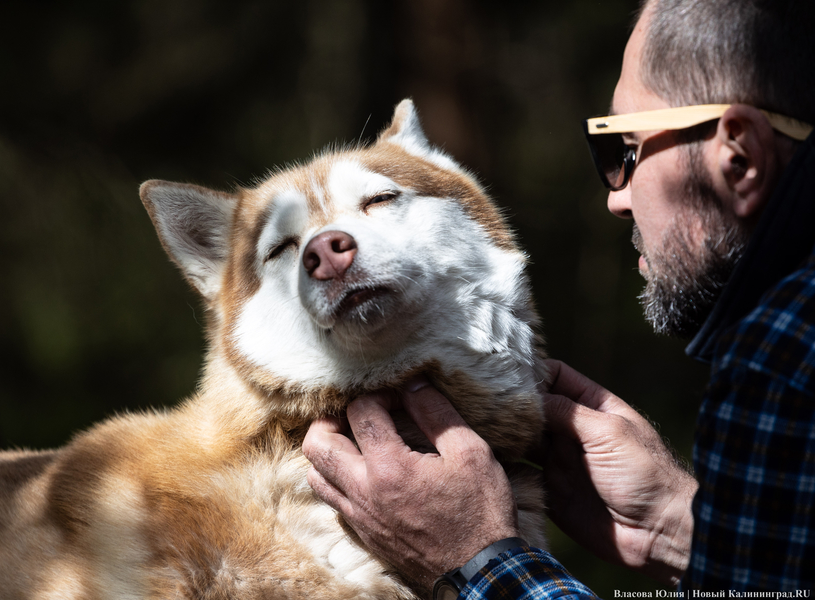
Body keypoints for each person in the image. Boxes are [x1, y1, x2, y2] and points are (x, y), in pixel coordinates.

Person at [302, 0, 815, 597]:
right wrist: (678, 525)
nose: (616, 199)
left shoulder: (780, 360)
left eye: (625, 151)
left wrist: (477, 558)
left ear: (740, 158)